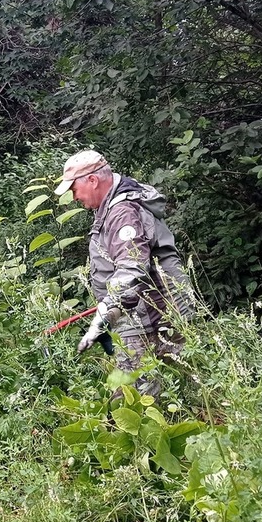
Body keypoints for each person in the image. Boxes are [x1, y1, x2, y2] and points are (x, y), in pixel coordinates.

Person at [54, 149, 194, 396]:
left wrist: (105, 313)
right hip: (142, 308)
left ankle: (147, 432)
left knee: (135, 392)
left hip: (150, 311)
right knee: (173, 383)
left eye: (74, 189)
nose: (74, 197)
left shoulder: (122, 211)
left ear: (93, 180)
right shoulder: (112, 206)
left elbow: (133, 266)